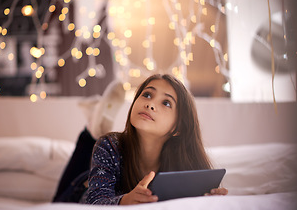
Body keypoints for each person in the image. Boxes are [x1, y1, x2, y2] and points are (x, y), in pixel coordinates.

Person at [53, 74, 228, 205]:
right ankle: (92, 130)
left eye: (166, 103)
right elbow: (95, 202)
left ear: (178, 127)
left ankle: (95, 124)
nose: (150, 104)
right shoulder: (109, 145)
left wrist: (209, 201)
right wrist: (126, 201)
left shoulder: (185, 163)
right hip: (78, 193)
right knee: (56, 203)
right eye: (147, 95)